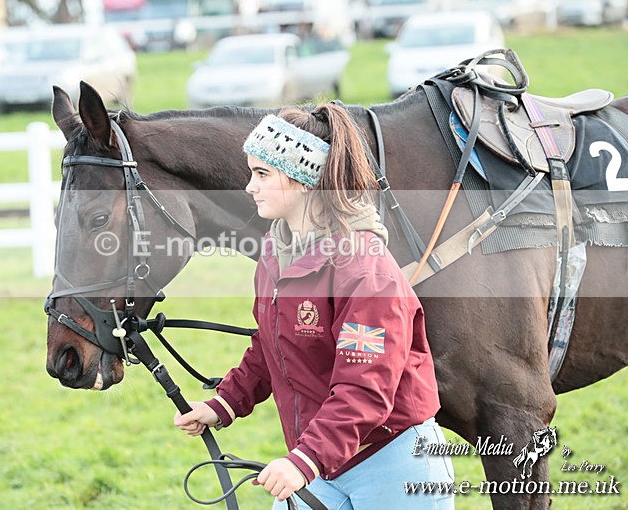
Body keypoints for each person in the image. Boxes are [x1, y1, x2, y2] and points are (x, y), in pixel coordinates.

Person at [174, 104, 454, 509]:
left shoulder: (365, 271)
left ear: (303, 180)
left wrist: (304, 460)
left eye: (262, 174)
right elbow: (271, 344)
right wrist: (223, 404)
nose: (250, 187)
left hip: (392, 461)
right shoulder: (274, 253)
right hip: (322, 460)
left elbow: (366, 387)